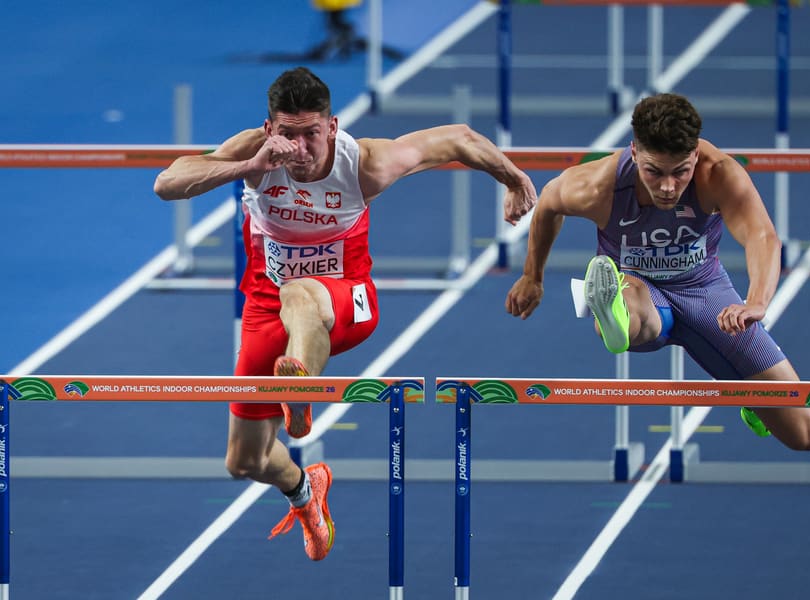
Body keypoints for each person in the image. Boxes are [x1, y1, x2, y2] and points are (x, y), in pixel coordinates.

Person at [154, 66, 537, 561]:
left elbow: (458, 139)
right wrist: (245, 167)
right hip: (265, 310)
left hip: (348, 301)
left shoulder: (366, 163)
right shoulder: (255, 149)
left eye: (310, 134)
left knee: (300, 293)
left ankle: (300, 388)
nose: (300, 148)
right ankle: (305, 490)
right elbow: (168, 183)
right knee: (244, 460)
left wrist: (514, 177)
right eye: (287, 135)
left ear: (332, 127)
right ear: (270, 129)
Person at [505, 93, 810, 452]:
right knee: (632, 308)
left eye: (680, 172)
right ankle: (612, 316)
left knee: (805, 435)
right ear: (635, 153)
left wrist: (757, 302)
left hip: (706, 293)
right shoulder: (597, 187)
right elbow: (547, 204)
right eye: (654, 172)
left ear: (695, 157)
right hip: (638, 287)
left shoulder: (718, 174)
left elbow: (762, 235)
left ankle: (745, 393)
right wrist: (533, 276)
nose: (668, 187)